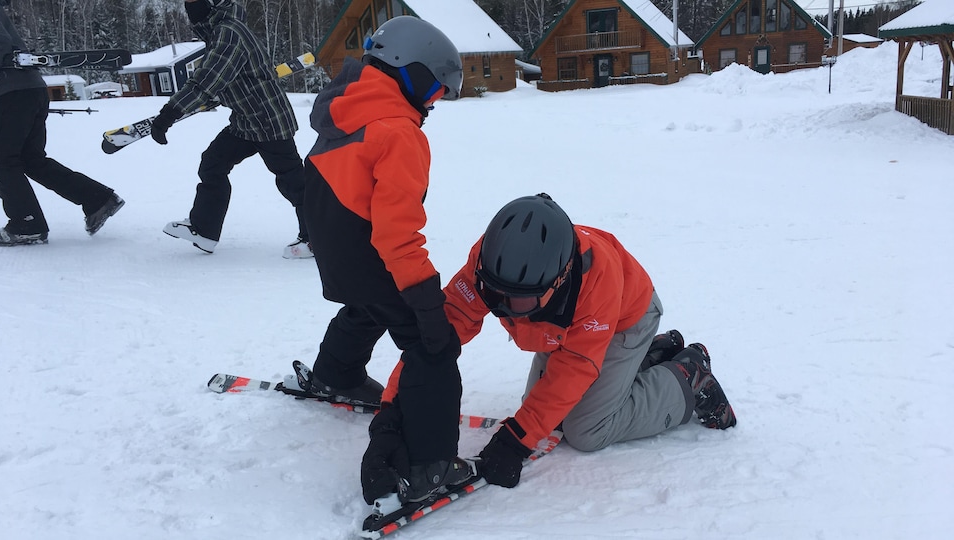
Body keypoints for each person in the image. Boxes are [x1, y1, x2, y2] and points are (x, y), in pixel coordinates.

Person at [384, 194, 737, 490]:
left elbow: (572, 371)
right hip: (564, 336)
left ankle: (687, 378)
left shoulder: (595, 284)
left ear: (558, 280)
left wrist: (515, 442)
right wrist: (393, 408)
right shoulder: (492, 261)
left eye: (519, 301)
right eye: (493, 295)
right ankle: (650, 360)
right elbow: (441, 334)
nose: (505, 308)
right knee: (546, 417)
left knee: (586, 430)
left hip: (624, 324)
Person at [300, 16, 469, 507]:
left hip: (335, 252)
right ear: (407, 69)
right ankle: (427, 463)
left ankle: (337, 371)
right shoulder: (398, 132)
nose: (433, 103)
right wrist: (426, 302)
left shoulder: (346, 109)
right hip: (368, 252)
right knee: (431, 348)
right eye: (435, 89)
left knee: (367, 303)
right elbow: (397, 234)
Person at [153, 0, 308, 257]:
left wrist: (169, 114)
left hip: (268, 119)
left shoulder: (229, 33)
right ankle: (204, 230)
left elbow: (208, 78)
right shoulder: (219, 32)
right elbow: (229, 80)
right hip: (246, 120)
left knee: (293, 181)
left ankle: (317, 238)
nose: (192, 13)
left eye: (196, 5)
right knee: (212, 164)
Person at [0, 0, 124, 246]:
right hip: (29, 89)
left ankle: (26, 223)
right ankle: (97, 199)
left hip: (10, 93)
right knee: (31, 160)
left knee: (4, 160)